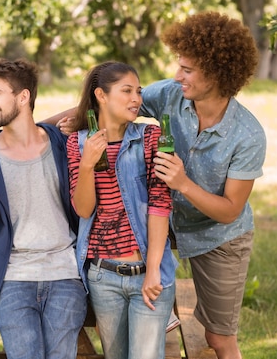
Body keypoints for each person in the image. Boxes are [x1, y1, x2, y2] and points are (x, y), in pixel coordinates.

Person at [141, 11, 266, 359]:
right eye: (179, 66)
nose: (177, 75)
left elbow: (229, 211)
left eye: (188, 69)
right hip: (163, 221)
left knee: (218, 338)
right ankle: (156, 314)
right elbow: (112, 101)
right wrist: (40, 129)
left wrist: (182, 182)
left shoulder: (247, 135)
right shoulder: (170, 95)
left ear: (217, 73)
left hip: (219, 233)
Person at [0, 58, 87, 359]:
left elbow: (93, 106)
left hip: (65, 275)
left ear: (23, 96)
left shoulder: (61, 142)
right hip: (13, 278)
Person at [67, 61, 177, 359]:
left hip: (149, 273)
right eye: (126, 91)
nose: (136, 99)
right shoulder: (77, 143)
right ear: (101, 95)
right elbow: (84, 209)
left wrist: (153, 269)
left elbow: (160, 205)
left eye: (138, 92)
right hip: (104, 278)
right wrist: (88, 162)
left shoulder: (151, 138)